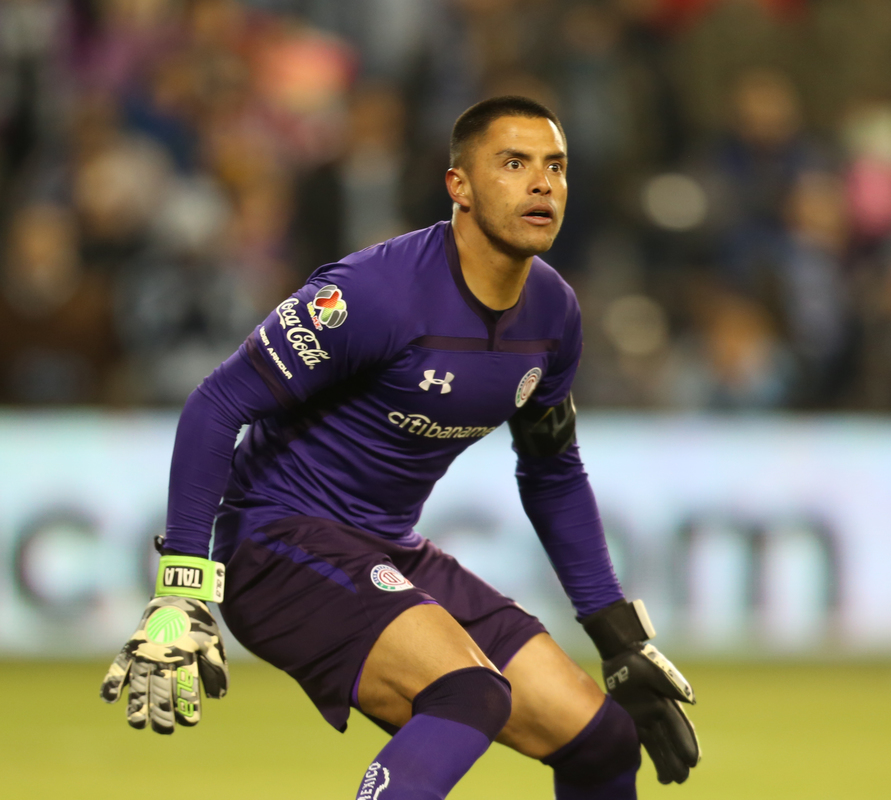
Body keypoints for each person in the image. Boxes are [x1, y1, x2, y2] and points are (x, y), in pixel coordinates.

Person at [99, 96, 700, 799]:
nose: (542, 184)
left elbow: (552, 469)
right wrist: (182, 585)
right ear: (459, 186)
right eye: (514, 164)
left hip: (387, 546)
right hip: (274, 542)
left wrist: (618, 637)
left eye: (556, 166)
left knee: (602, 742)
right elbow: (217, 404)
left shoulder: (554, 313)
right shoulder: (374, 294)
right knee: (470, 693)